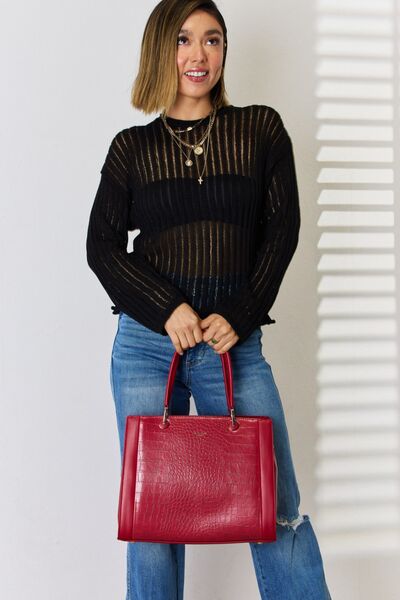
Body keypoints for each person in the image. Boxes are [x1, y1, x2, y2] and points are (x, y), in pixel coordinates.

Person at [86, 1, 332, 598]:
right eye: (183, 39)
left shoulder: (260, 129)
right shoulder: (131, 147)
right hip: (147, 347)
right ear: (160, 50)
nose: (198, 54)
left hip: (233, 345)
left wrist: (241, 314)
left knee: (276, 504)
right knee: (152, 517)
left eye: (212, 39)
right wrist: (165, 308)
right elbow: (101, 248)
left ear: (224, 49)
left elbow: (282, 231)